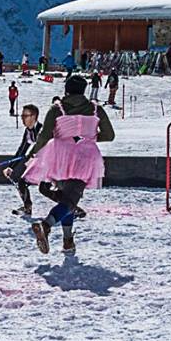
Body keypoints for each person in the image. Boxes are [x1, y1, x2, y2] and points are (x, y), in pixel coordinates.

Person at [24, 74, 114, 255]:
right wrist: (91, 137)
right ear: (83, 90)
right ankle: (46, 225)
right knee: (71, 199)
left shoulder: (57, 109)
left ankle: (67, 241)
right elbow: (110, 135)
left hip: (60, 157)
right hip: (85, 157)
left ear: (66, 89)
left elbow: (44, 136)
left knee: (69, 197)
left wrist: (32, 153)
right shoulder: (96, 109)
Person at [4, 103, 42, 217]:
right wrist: (11, 167)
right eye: (22, 115)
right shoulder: (28, 131)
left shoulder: (42, 129)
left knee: (48, 189)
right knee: (22, 183)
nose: (22, 118)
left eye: (25, 115)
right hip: (39, 163)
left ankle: (72, 208)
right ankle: (27, 208)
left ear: (34, 116)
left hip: (51, 163)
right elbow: (21, 150)